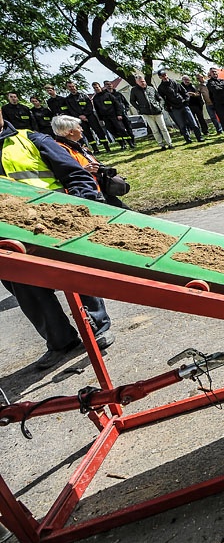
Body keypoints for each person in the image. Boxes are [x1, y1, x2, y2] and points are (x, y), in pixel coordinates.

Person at [0, 111, 115, 370]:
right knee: (26, 290)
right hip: (6, 238)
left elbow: (76, 175)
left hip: (50, 224)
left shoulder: (30, 140)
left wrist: (82, 210)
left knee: (75, 277)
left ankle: (98, 326)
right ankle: (60, 342)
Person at [52, 114, 129, 208]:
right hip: (88, 195)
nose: (82, 130)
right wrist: (84, 170)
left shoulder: (78, 146)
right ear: (71, 132)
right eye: (79, 127)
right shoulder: (59, 150)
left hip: (100, 191)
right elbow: (63, 174)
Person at [64, 81, 112, 154]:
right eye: (70, 87)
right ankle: (95, 149)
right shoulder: (68, 99)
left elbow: (89, 105)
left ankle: (107, 147)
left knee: (99, 131)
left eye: (73, 86)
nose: (72, 88)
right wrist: (80, 116)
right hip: (79, 119)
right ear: (67, 88)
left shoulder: (83, 95)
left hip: (90, 116)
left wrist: (85, 115)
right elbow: (71, 110)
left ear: (75, 86)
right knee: (87, 134)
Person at [156, 70, 204, 144]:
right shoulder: (161, 88)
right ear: (160, 77)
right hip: (174, 108)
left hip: (184, 105)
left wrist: (186, 101)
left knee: (193, 122)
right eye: (162, 76)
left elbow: (184, 92)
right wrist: (169, 107)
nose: (164, 77)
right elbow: (163, 100)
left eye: (165, 74)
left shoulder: (175, 82)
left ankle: (199, 137)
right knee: (182, 125)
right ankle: (188, 140)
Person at [130, 75, 173, 150]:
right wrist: (139, 108)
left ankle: (169, 143)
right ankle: (161, 145)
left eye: (143, 81)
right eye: (140, 82)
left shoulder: (151, 88)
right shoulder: (134, 90)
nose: (142, 83)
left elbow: (160, 98)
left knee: (163, 128)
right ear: (137, 82)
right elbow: (132, 101)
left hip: (157, 111)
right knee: (155, 130)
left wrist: (160, 106)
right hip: (146, 113)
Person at [91, 82, 132, 150]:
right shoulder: (95, 98)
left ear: (100, 87)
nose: (96, 89)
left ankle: (130, 143)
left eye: (97, 87)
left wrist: (119, 114)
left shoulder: (108, 95)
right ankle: (122, 144)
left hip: (114, 116)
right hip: (106, 118)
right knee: (113, 131)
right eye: (94, 88)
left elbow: (117, 104)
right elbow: (97, 110)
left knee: (121, 130)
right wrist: (101, 120)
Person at [103, 80, 138, 147]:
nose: (109, 85)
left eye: (110, 84)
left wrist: (125, 110)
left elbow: (126, 103)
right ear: (105, 86)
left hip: (123, 114)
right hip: (114, 116)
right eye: (107, 84)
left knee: (129, 128)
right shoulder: (105, 96)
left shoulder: (118, 94)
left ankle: (132, 142)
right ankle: (123, 144)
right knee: (119, 130)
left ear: (112, 85)